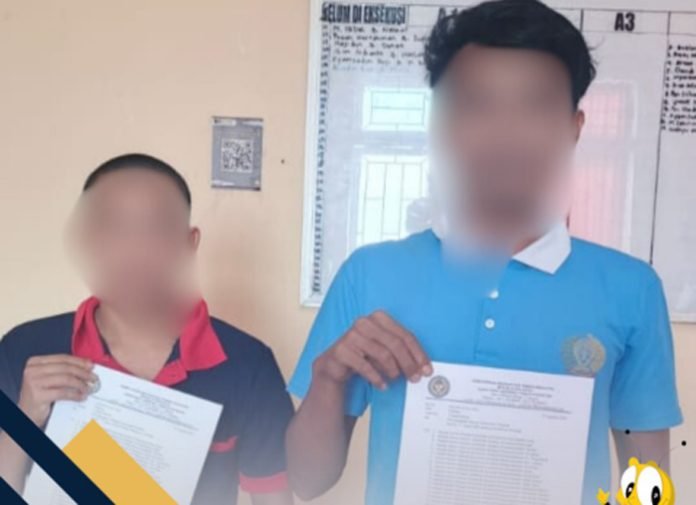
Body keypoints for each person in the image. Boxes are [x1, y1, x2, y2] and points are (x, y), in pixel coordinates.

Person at [285, 1, 682, 504]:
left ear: (574, 127)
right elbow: (307, 481)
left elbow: (647, 480)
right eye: (478, 105)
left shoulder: (631, 289)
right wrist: (328, 376)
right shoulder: (369, 274)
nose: (506, 134)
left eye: (534, 106)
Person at [0, 154, 294, 505]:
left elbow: (272, 498)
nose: (135, 251)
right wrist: (22, 422)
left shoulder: (248, 363)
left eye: (156, 229)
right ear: (88, 241)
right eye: (115, 228)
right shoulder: (25, 350)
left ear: (189, 244)